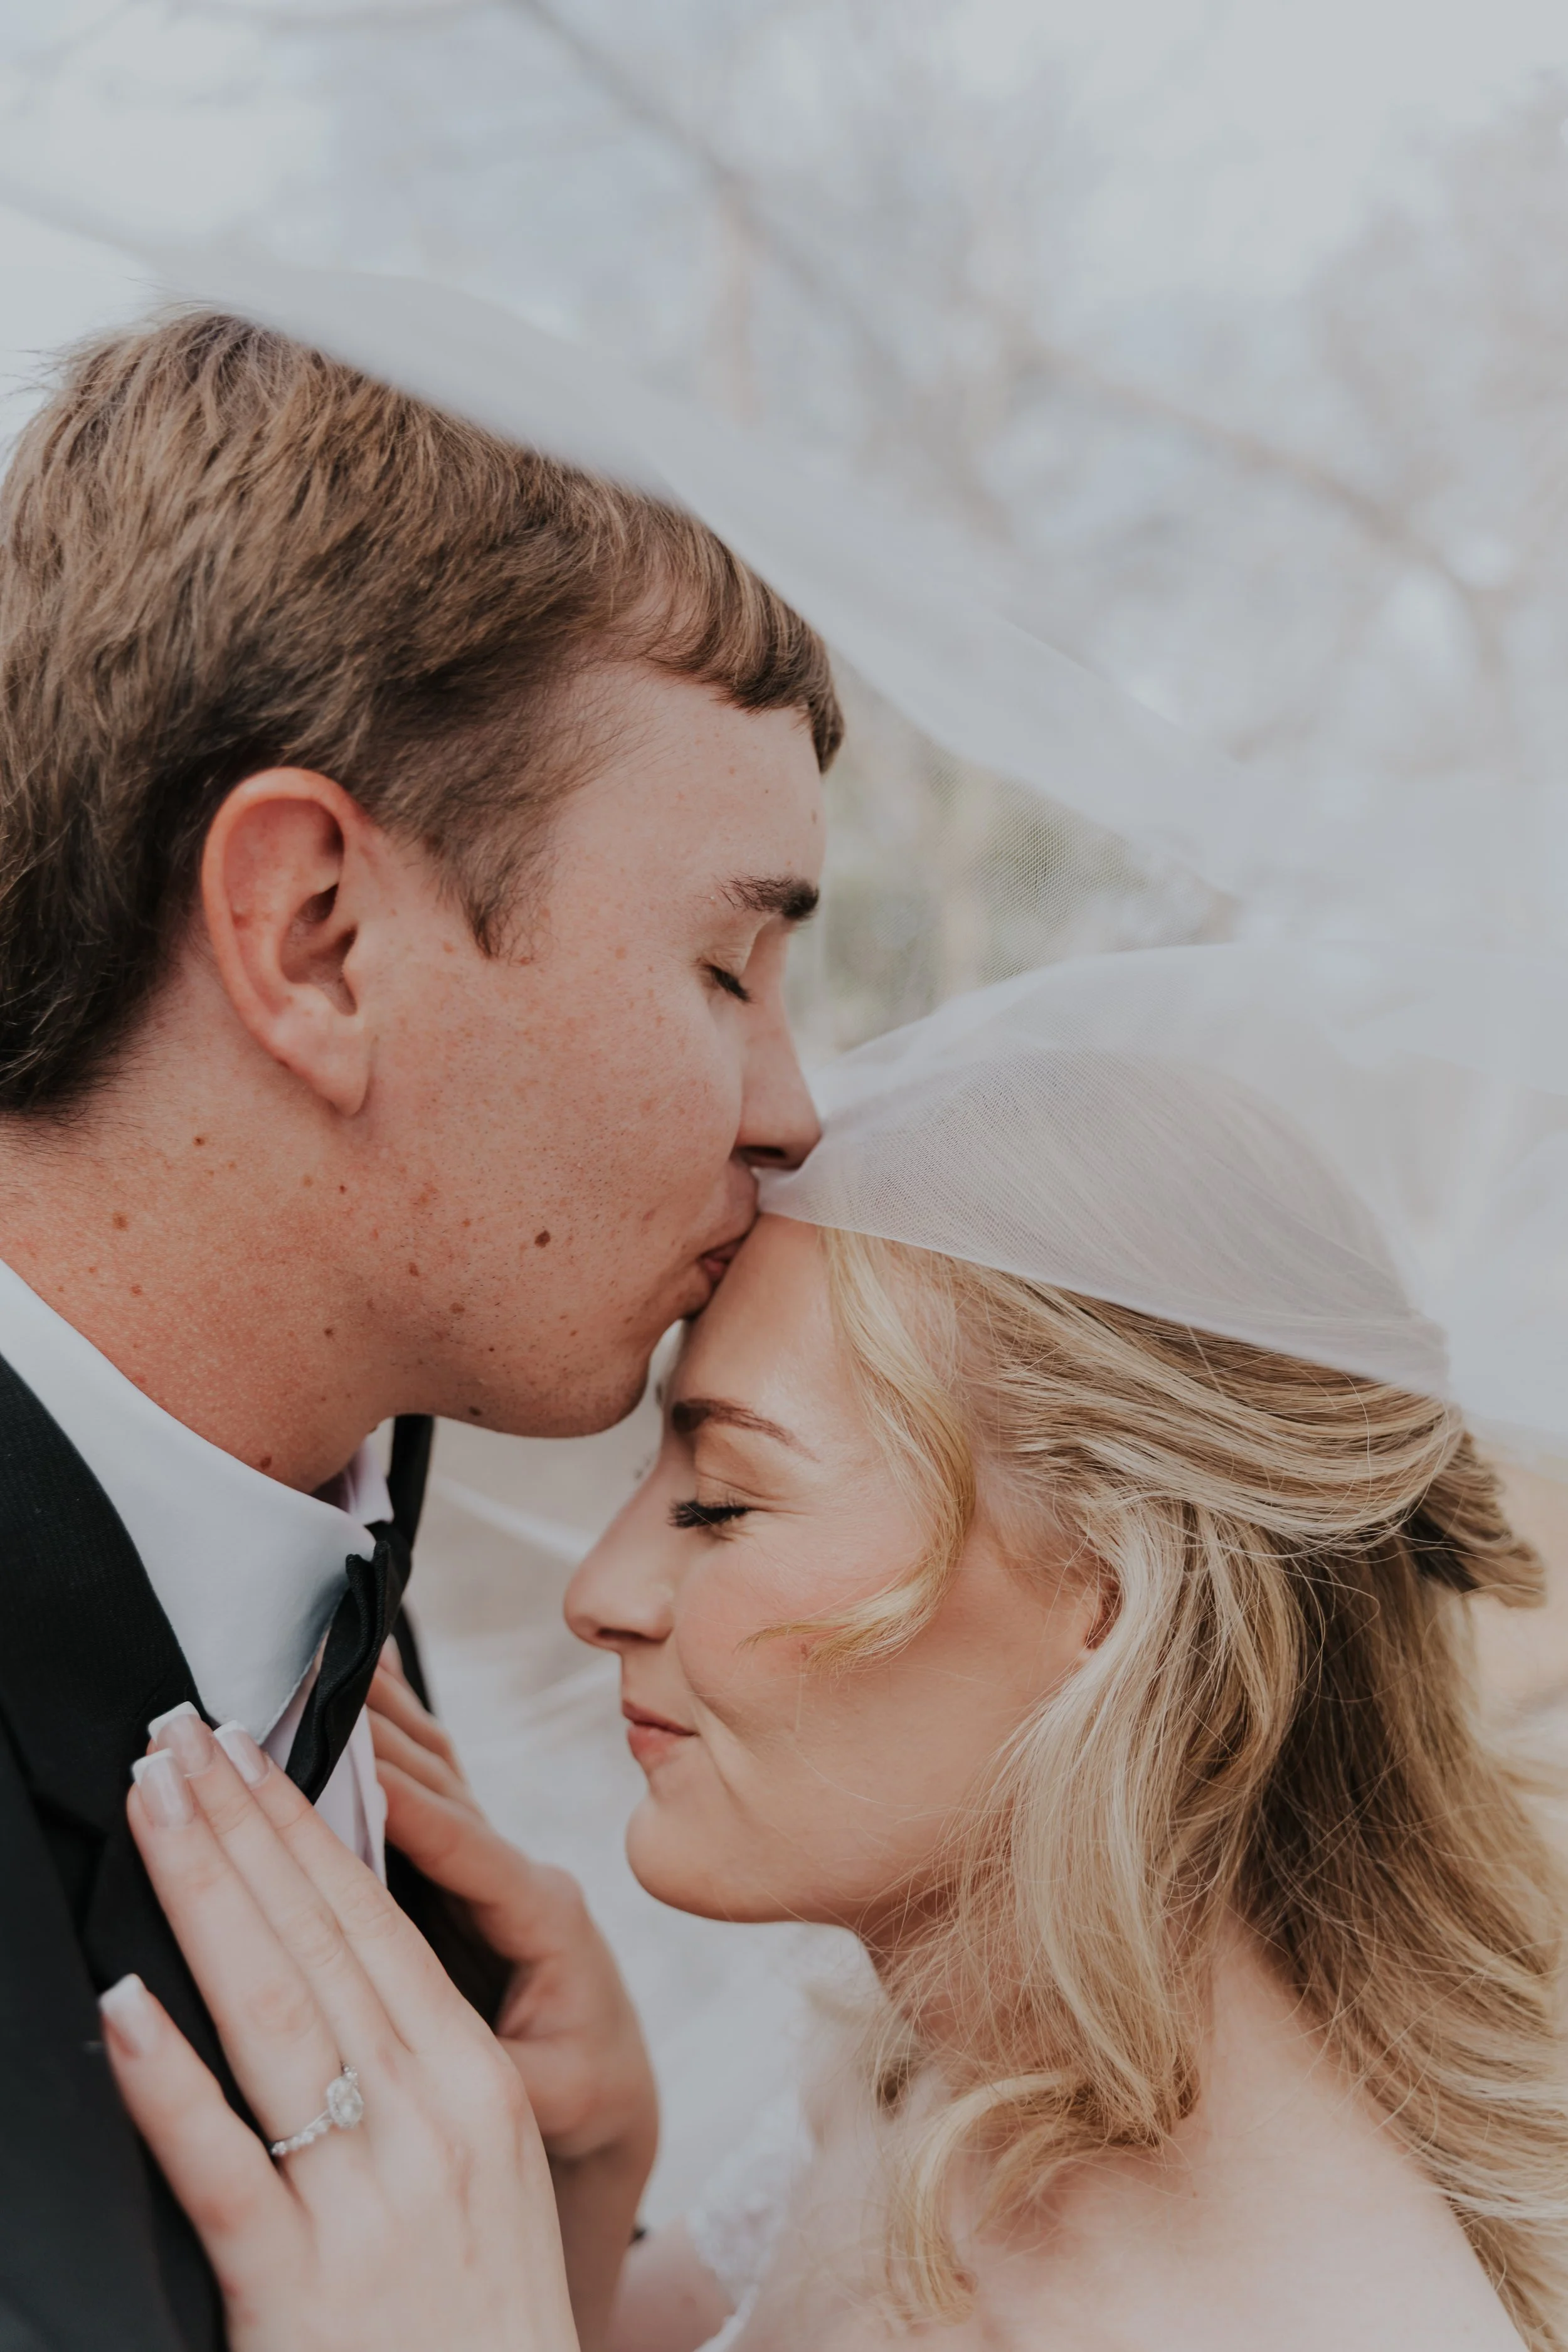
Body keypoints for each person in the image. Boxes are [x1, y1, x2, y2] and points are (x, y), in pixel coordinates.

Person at [105, 1021, 1568, 2348]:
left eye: (723, 1503)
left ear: (1103, 1602)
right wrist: (592, 2160)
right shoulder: (918, 2093)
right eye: (649, 1478)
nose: (599, 1595)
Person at [0, 304, 839, 2352]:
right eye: (728, 966)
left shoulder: (328, 1508)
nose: (792, 1110)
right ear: (317, 939)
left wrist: (578, 2236)